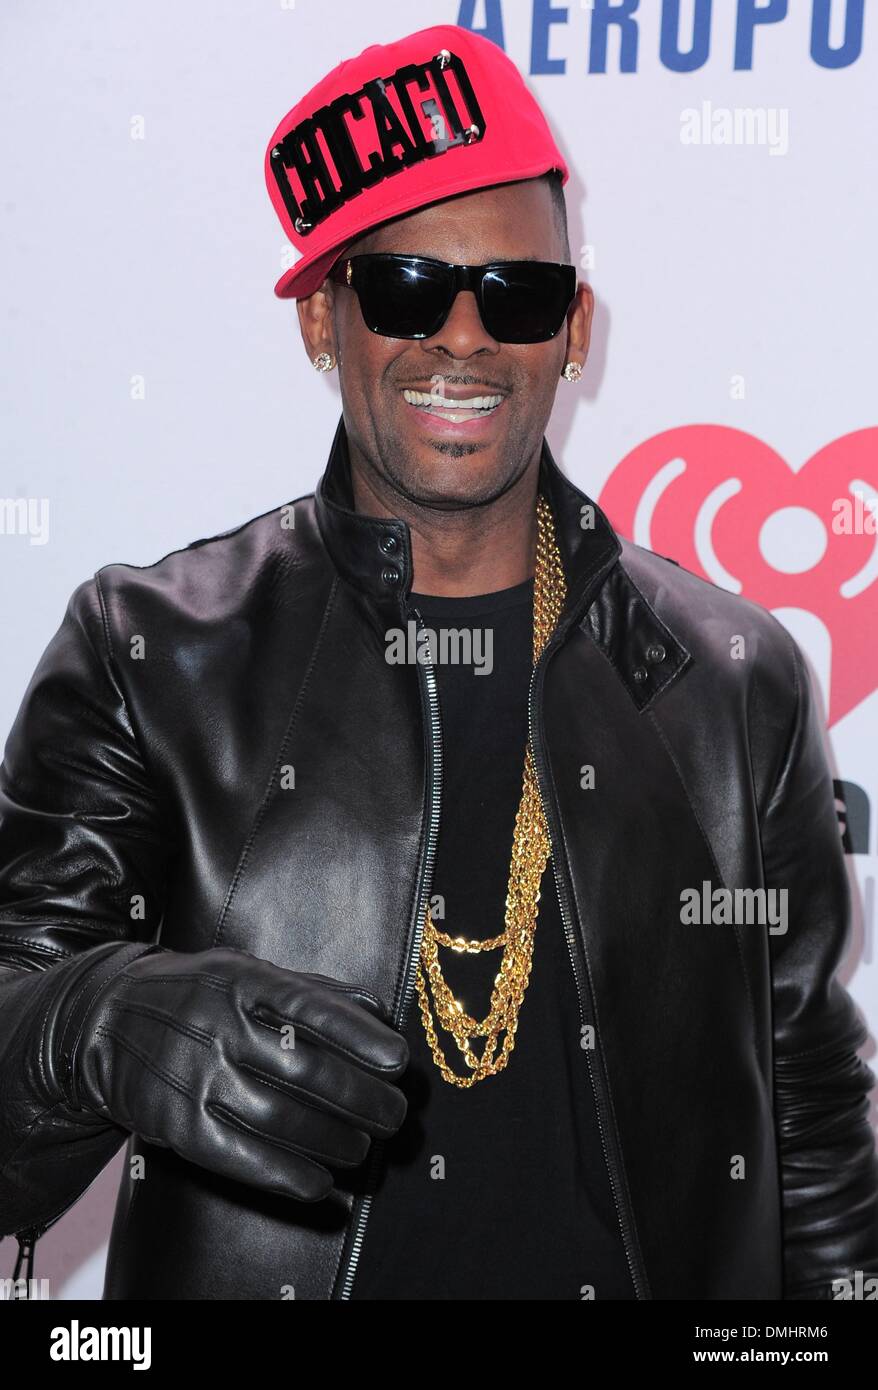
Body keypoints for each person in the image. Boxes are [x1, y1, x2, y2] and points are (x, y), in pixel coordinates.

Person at [0, 22, 876, 1302]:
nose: (461, 339)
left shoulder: (732, 679)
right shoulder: (153, 654)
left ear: (571, 331)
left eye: (515, 294)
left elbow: (803, 1112)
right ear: (320, 316)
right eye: (406, 287)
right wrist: (85, 1027)